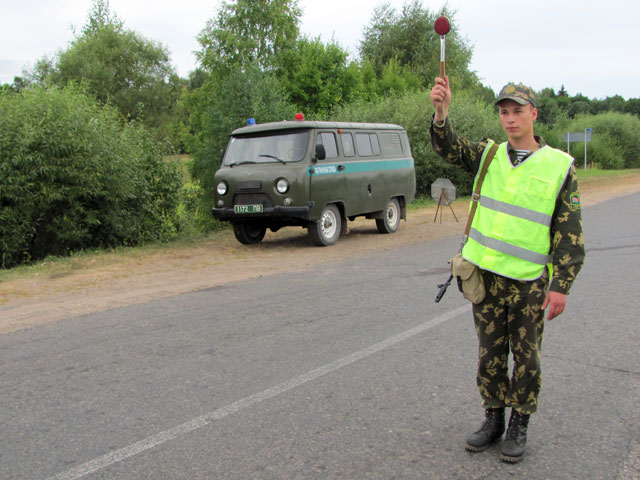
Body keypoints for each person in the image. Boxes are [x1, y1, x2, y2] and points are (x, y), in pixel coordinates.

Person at [429, 77, 585, 463]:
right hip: (484, 277)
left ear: (533, 114)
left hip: (529, 282)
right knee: (491, 354)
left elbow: (569, 234)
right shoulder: (489, 154)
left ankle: (520, 424)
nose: (510, 119)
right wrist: (441, 112)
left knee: (526, 356)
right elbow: (449, 148)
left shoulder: (558, 166)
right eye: (504, 112)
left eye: (518, 111)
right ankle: (493, 418)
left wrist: (561, 284)